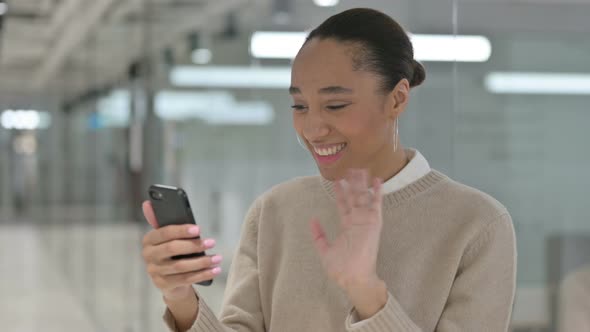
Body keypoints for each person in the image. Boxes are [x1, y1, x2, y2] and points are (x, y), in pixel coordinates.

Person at [141, 8, 517, 332]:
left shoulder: (477, 225)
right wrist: (181, 299)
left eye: (335, 105)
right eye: (299, 107)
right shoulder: (275, 211)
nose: (313, 129)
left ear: (398, 98)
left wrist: (367, 292)